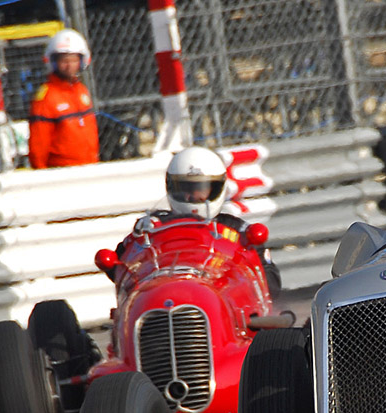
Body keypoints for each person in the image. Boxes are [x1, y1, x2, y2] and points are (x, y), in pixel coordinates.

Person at [104, 146, 282, 298]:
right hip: (164, 299)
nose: (191, 196)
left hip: (222, 306)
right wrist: (138, 239)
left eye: (199, 189)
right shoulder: (153, 227)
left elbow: (271, 284)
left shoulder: (238, 230)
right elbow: (119, 269)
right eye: (184, 189)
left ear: (216, 188)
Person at [28, 28, 99, 169]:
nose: (69, 66)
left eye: (73, 60)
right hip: (62, 172)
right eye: (64, 61)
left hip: (90, 167)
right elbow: (38, 147)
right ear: (53, 62)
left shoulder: (81, 91)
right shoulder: (46, 97)